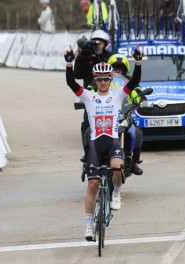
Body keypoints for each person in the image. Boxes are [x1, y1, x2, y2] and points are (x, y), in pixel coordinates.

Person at [64, 44, 143, 241]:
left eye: (106, 79)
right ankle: (89, 225)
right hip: (95, 146)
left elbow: (135, 81)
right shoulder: (89, 97)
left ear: (110, 79)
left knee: (118, 167)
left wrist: (138, 62)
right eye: (99, 79)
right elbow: (71, 84)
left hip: (112, 142)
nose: (103, 82)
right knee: (92, 185)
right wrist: (68, 64)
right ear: (95, 80)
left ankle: (116, 193)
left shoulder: (118, 94)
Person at [74, 29, 114, 160]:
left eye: (100, 43)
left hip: (110, 95)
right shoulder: (86, 56)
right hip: (91, 96)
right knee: (86, 125)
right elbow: (77, 75)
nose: (97, 45)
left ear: (105, 44)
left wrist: (98, 57)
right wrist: (80, 58)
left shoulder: (110, 56)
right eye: (95, 43)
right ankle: (87, 153)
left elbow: (120, 73)